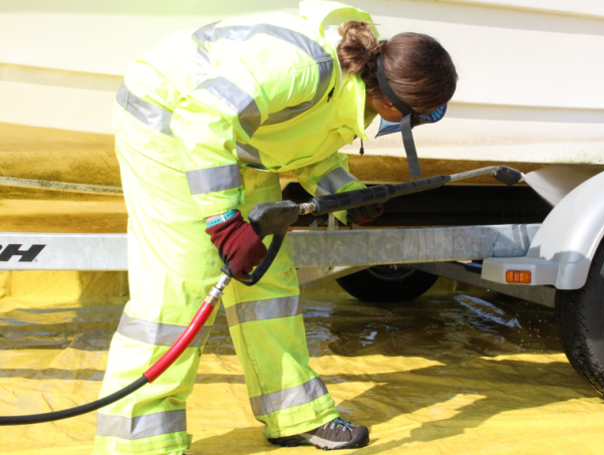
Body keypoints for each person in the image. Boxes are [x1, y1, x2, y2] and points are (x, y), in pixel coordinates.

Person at [93, 1, 457, 454]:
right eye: (423, 115)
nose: (418, 124)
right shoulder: (303, 70)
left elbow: (305, 142)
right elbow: (201, 120)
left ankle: (295, 415)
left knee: (268, 283)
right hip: (168, 124)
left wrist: (348, 192)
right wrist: (225, 222)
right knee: (179, 290)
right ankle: (138, 442)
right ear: (390, 98)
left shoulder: (349, 90)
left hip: (236, 145)